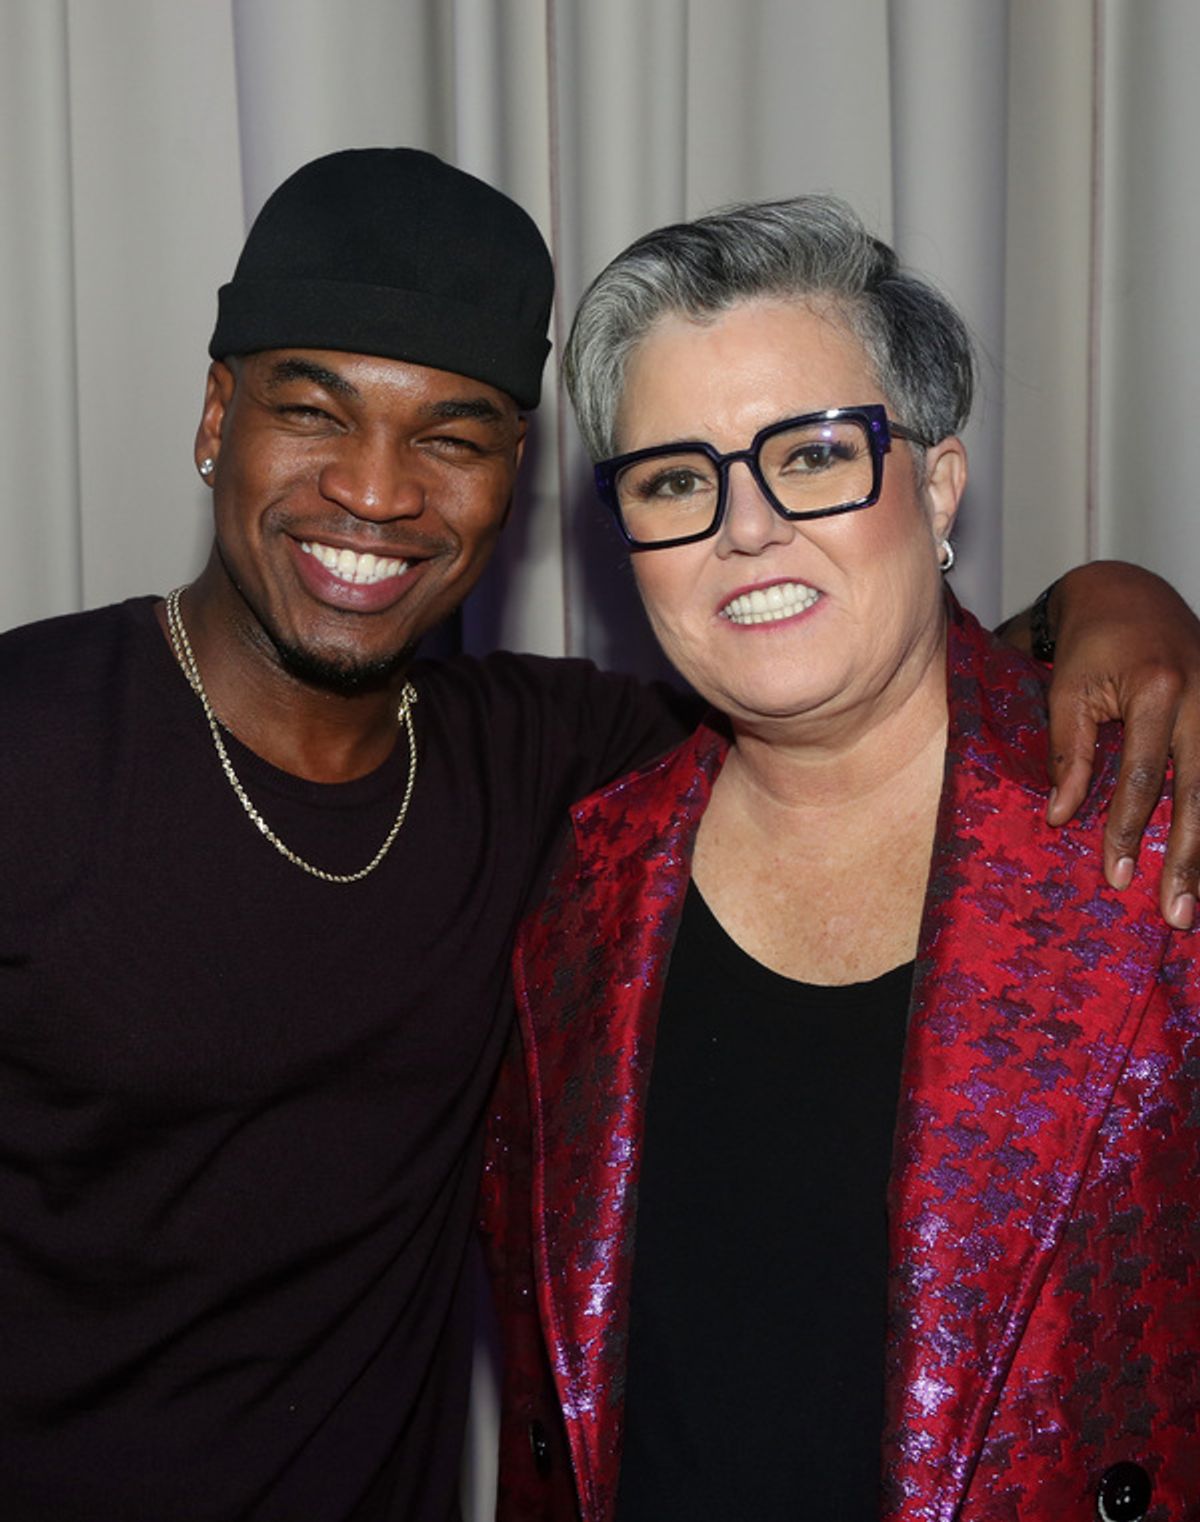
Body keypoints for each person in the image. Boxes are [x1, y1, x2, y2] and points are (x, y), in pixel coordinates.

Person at [0, 150, 1193, 1522]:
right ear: (218, 418)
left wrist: (1122, 597)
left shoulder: (553, 776)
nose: (376, 493)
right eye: (679, 479)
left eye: (810, 455)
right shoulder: (41, 748)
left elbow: (867, 655)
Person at [482, 196, 1200, 1522]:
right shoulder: (581, 890)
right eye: (677, 479)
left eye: (811, 455)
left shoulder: (1151, 847)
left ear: (936, 483)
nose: (743, 528)